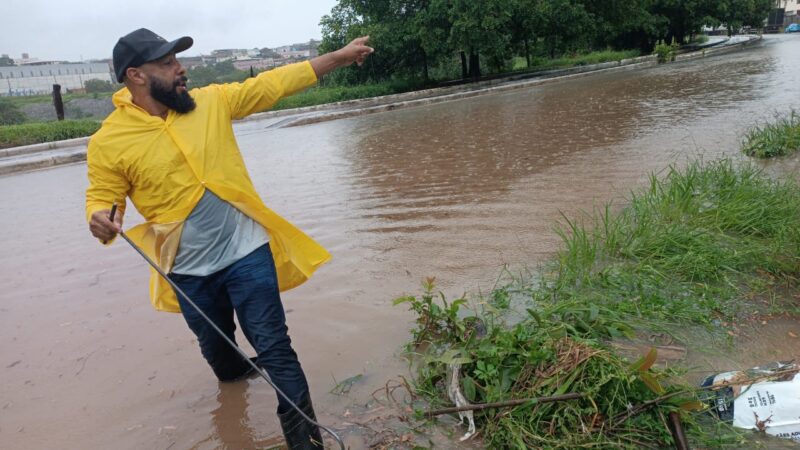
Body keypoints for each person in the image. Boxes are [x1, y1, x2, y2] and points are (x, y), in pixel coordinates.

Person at [86, 28, 373, 449]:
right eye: (166, 63)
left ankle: (305, 440)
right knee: (219, 355)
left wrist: (338, 57)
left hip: (246, 251)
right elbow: (103, 199)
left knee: (274, 346)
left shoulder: (211, 102)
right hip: (187, 269)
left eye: (176, 60)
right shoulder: (109, 142)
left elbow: (271, 84)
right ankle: (236, 373)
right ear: (136, 75)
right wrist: (99, 219)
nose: (180, 69)